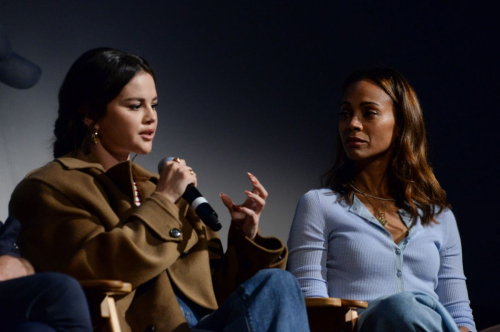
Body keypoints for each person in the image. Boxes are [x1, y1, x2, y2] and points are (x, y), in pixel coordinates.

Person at [8, 47, 309, 332]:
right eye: (135, 106)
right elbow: (90, 270)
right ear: (90, 114)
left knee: (278, 282)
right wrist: (163, 200)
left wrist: (246, 237)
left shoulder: (158, 186)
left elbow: (218, 291)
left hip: (204, 323)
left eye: (153, 105)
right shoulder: (50, 187)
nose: (151, 117)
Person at [287, 67, 476, 332]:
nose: (352, 123)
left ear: (401, 125)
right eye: (345, 114)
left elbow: (459, 314)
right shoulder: (319, 205)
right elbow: (313, 307)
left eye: (368, 113)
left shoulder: (440, 217)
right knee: (401, 308)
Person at [1, 23, 92, 332]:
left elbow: (9, 244)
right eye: (135, 105)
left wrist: (16, 261)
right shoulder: (49, 183)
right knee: (60, 291)